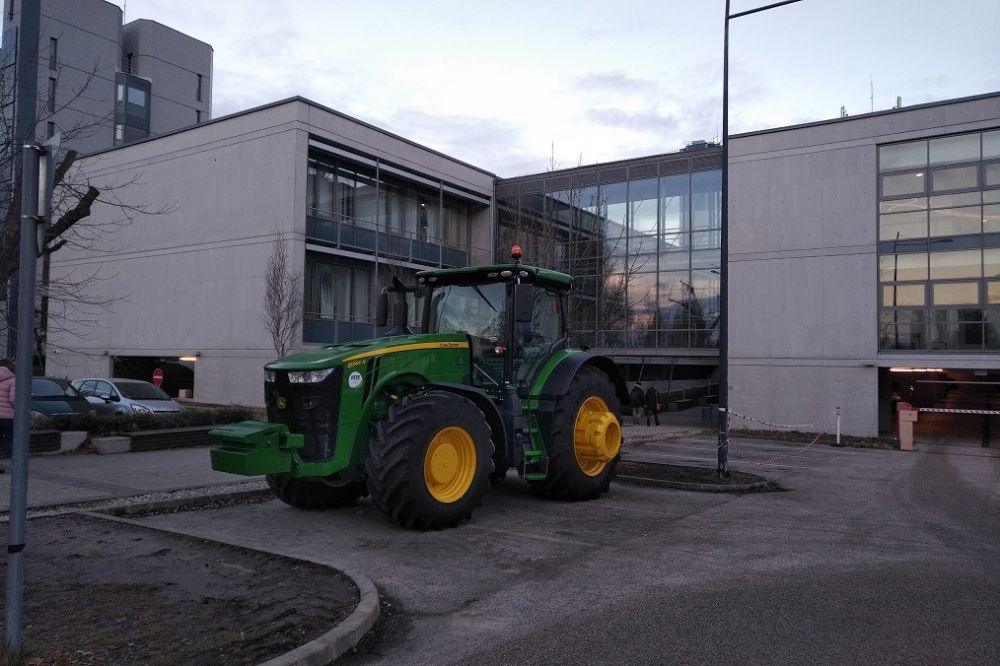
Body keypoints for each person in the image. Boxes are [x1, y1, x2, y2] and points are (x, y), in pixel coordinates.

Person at [0, 358, 15, 470]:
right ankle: (16, 465)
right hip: (7, 417)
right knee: (11, 440)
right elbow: (13, 399)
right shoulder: (12, 380)